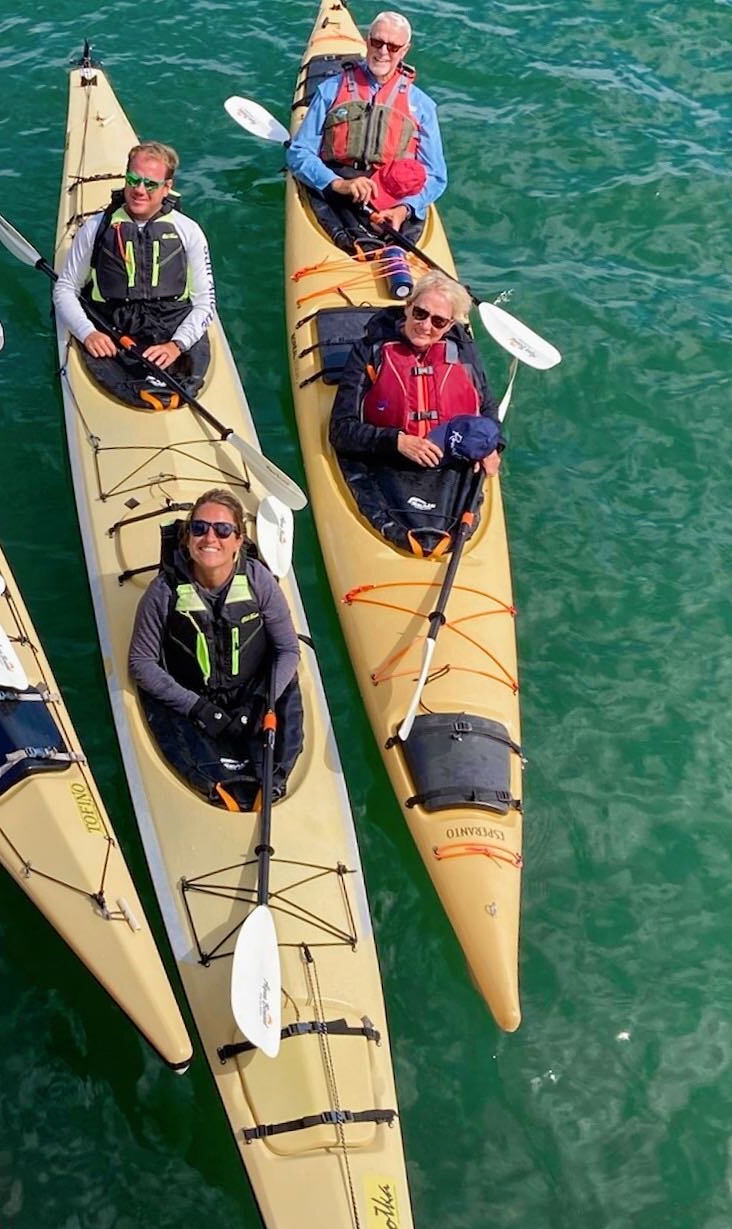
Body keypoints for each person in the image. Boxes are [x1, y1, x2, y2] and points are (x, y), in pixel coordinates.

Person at [128, 490, 303, 808]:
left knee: (274, 753)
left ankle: (269, 783)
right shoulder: (163, 592)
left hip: (252, 695)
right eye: (199, 528)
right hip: (193, 699)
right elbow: (142, 663)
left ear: (238, 541)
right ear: (187, 536)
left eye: (223, 530)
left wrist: (259, 704)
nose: (210, 537)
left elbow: (288, 649)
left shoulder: (259, 581)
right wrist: (198, 709)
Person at [53, 140, 216, 407]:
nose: (139, 190)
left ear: (167, 188)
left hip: (171, 326)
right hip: (112, 327)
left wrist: (176, 345)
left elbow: (204, 303)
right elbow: (65, 289)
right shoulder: (95, 229)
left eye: (150, 184)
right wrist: (87, 333)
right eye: (133, 180)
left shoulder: (190, 232)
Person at [287, 11, 447, 254]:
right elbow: (299, 153)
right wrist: (338, 184)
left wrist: (404, 209)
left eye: (393, 47)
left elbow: (435, 175)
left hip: (391, 192)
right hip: (340, 184)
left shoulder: (422, 106)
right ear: (366, 40)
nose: (383, 51)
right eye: (377, 42)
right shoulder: (330, 90)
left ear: (404, 51)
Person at [330, 271, 501, 475]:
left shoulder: (463, 351)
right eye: (420, 313)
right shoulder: (370, 350)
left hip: (455, 464)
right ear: (408, 306)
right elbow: (341, 429)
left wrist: (492, 447)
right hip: (384, 462)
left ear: (449, 326)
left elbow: (487, 407)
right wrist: (398, 441)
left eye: (438, 321)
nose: (425, 326)